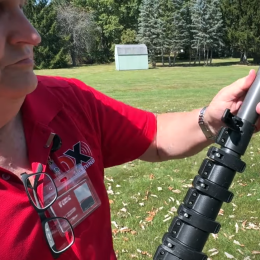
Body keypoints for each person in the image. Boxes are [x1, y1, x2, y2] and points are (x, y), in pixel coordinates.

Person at [1, 1, 260, 260]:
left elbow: (154, 135)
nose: (33, 35)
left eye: (21, 7)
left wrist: (213, 120)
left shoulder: (67, 100)